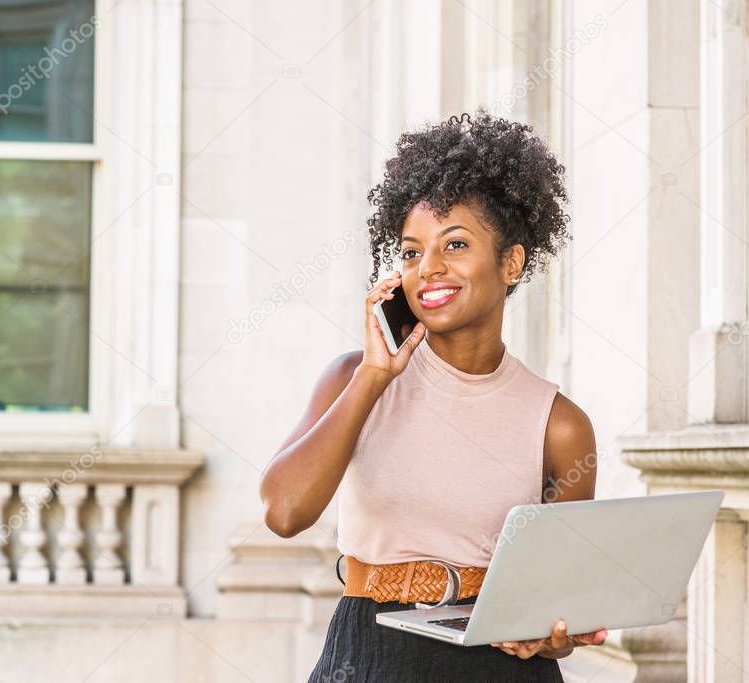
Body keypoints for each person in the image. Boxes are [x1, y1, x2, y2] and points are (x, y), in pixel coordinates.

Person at [259, 110, 608, 681]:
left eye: (455, 244)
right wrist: (375, 376)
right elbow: (283, 513)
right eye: (411, 251)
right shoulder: (354, 377)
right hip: (369, 655)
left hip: (499, 667)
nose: (429, 269)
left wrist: (548, 640)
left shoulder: (559, 424)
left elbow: (559, 611)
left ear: (511, 262)